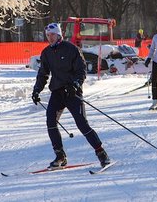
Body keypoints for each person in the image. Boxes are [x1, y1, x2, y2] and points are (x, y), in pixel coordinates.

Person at [32, 23, 110, 169]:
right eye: (48, 36)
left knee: (82, 124)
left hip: (72, 92)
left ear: (59, 35)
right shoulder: (46, 53)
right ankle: (60, 156)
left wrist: (75, 84)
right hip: (57, 92)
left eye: (52, 35)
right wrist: (36, 90)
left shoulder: (71, 49)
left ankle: (101, 153)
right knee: (50, 121)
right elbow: (43, 74)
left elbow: (81, 70)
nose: (50, 38)